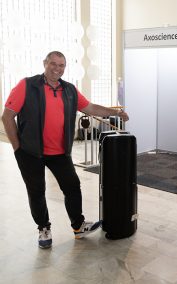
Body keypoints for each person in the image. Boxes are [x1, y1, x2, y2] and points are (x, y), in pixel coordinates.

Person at [1, 51, 129, 249]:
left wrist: (116, 113)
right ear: (45, 63)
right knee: (37, 192)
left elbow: (91, 108)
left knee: (72, 187)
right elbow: (7, 117)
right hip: (31, 152)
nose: (57, 68)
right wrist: (18, 148)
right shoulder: (26, 85)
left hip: (60, 152)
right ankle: (43, 228)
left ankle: (78, 226)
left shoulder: (69, 90)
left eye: (61, 65)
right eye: (53, 64)